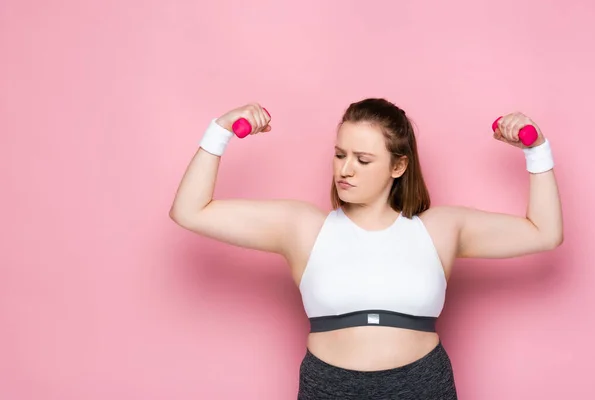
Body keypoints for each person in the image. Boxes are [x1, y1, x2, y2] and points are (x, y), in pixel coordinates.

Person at [169, 98, 563, 399]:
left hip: (421, 385)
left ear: (398, 166)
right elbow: (190, 211)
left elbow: (543, 232)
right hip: (329, 385)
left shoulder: (441, 228)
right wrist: (218, 131)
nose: (345, 169)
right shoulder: (302, 227)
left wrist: (536, 149)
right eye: (340, 155)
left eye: (363, 159)